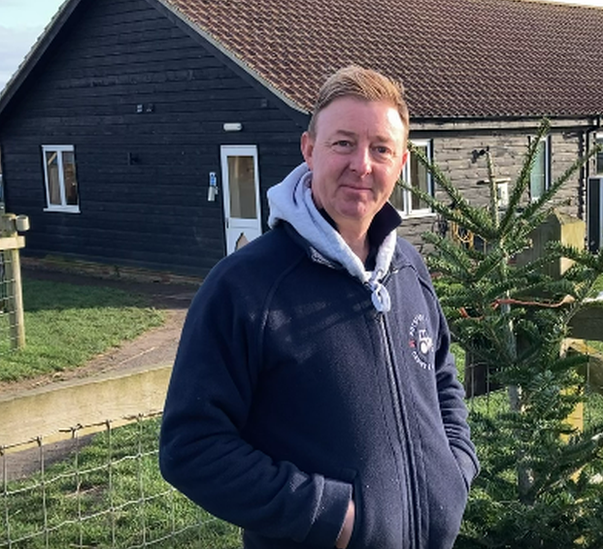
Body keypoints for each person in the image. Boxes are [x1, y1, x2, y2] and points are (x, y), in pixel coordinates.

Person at [159, 65, 479, 549]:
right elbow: (191, 447)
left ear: (402, 162)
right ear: (309, 149)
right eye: (343, 143)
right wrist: (331, 516)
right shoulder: (245, 286)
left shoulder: (409, 268)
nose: (362, 165)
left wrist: (455, 469)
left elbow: (441, 378)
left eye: (381, 149)